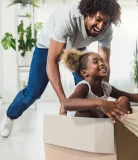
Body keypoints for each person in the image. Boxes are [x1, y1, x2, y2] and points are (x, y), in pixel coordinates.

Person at [0, 0, 121, 138]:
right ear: (87, 13)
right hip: (47, 47)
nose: (101, 26)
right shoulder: (67, 18)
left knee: (88, 85)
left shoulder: (107, 30)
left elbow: (104, 63)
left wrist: (102, 96)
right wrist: (63, 102)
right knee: (33, 92)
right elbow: (52, 61)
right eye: (98, 20)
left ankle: (83, 123)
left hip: (77, 47)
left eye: (106, 22)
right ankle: (10, 115)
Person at [61, 49, 138, 122]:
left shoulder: (105, 87)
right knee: (87, 112)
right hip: (82, 121)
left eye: (102, 61)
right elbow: (66, 104)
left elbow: (130, 96)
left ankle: (119, 130)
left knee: (123, 99)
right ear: (84, 73)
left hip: (100, 118)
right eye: (95, 62)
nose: (102, 63)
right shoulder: (84, 86)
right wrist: (99, 102)